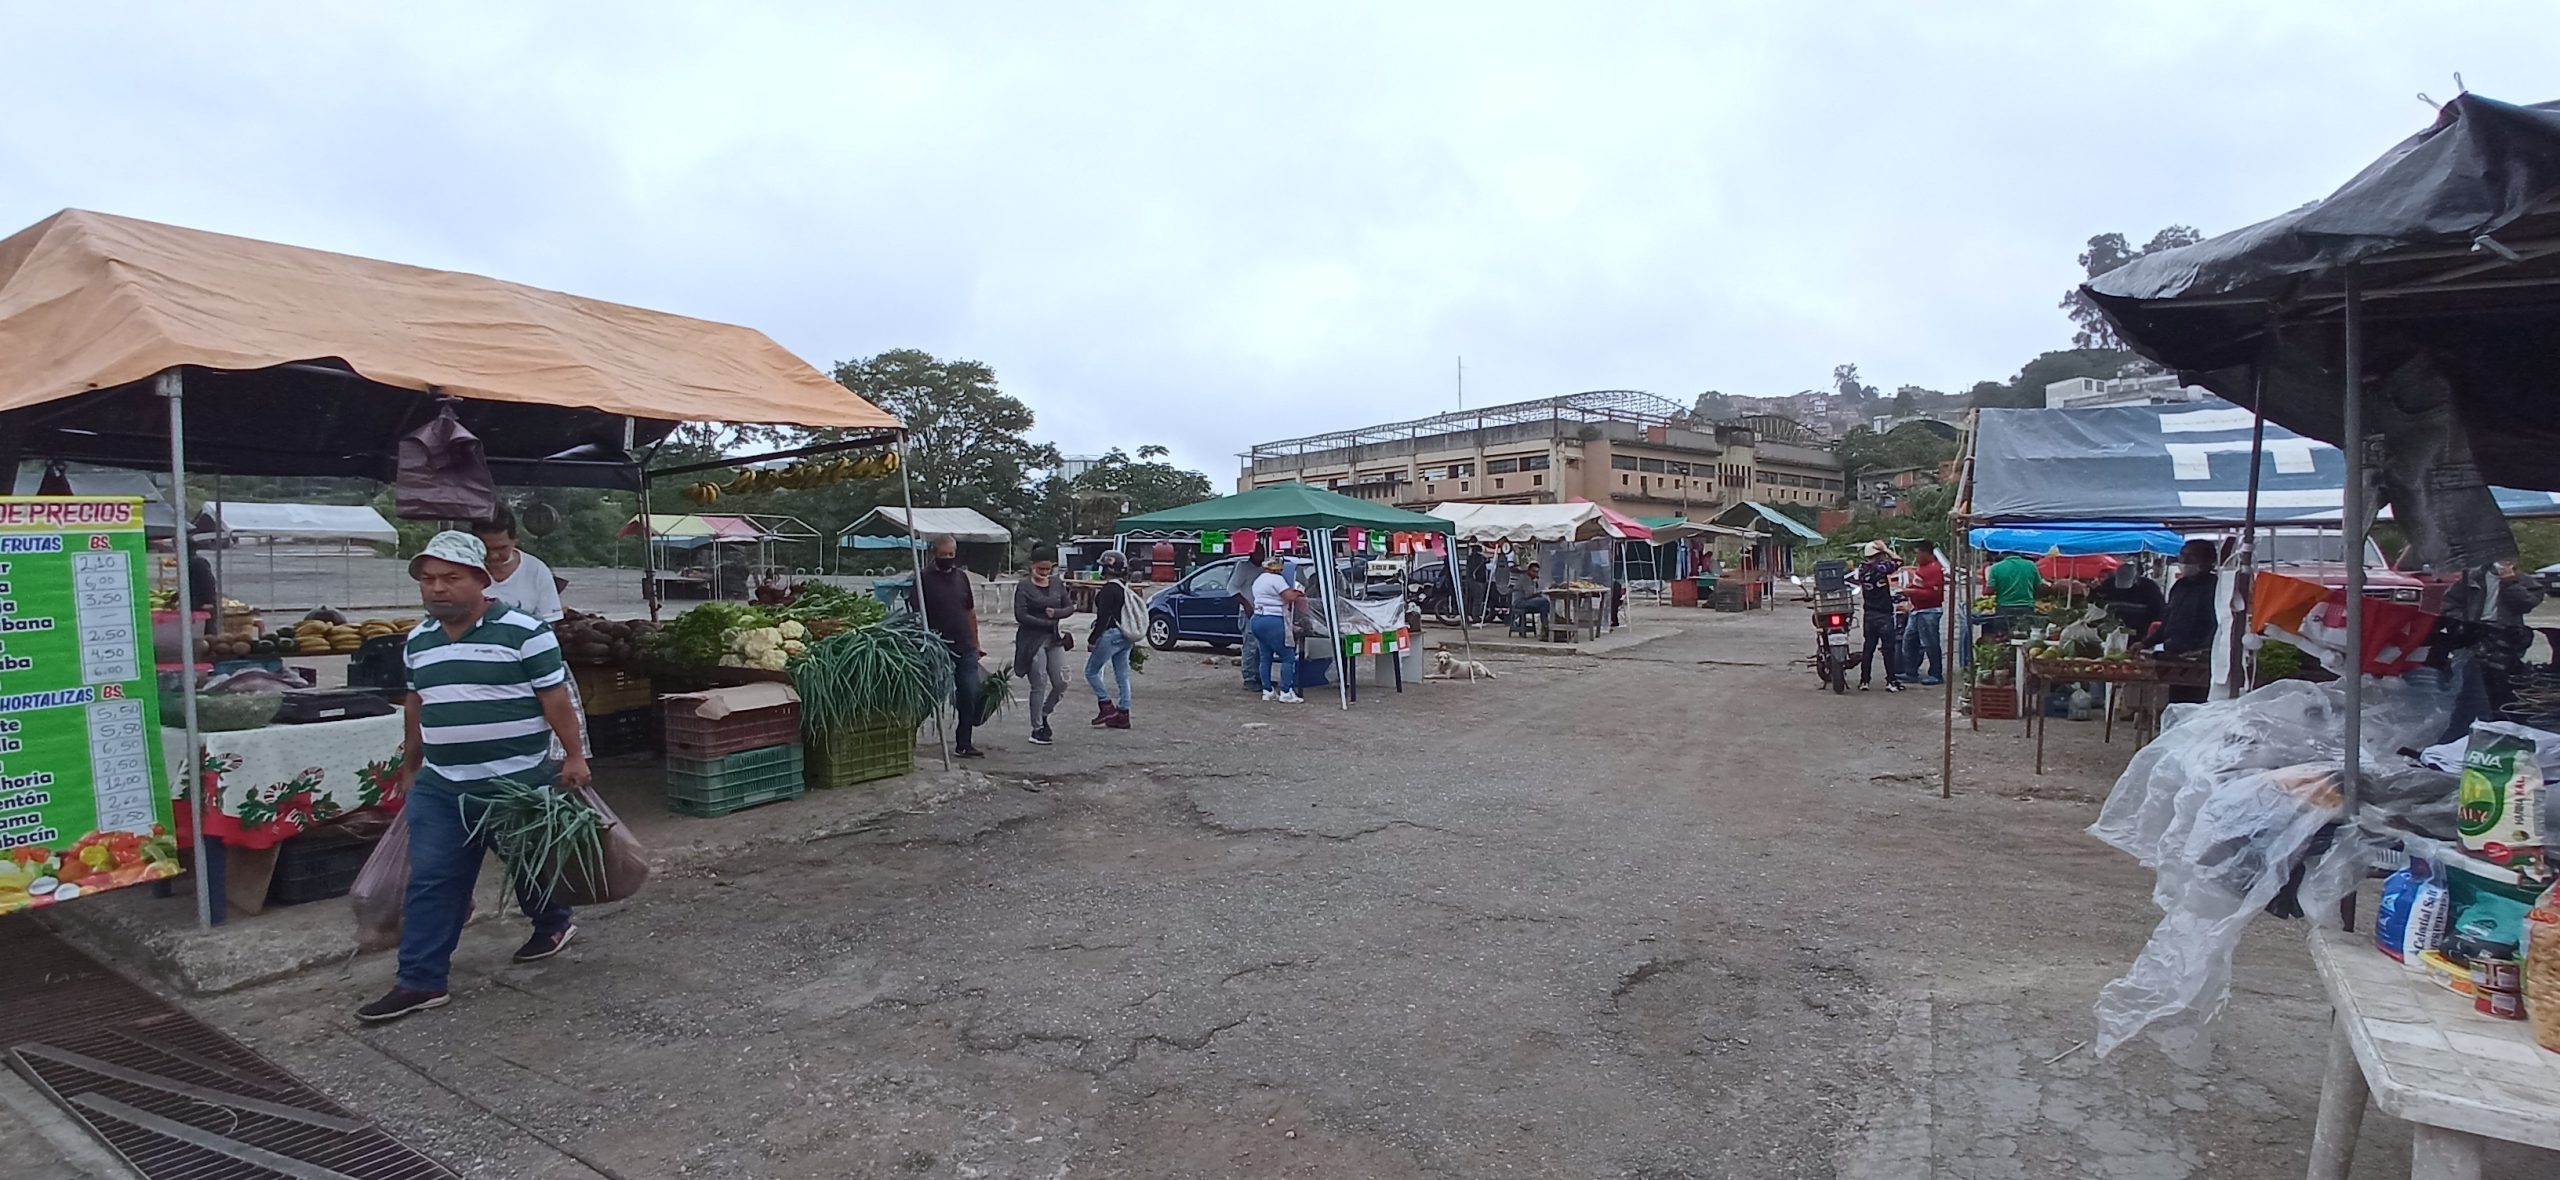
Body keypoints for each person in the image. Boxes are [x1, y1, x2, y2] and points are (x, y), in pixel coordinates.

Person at [358, 532, 589, 1022]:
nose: (437, 588)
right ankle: (421, 981)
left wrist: (573, 756)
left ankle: (552, 923)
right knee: (434, 879)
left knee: (530, 865)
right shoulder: (419, 640)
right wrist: (412, 763)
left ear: (482, 582)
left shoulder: (526, 632)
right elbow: (417, 703)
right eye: (428, 580)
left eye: (450, 578)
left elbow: (555, 699)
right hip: (444, 786)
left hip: (518, 782)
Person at [471, 510, 586, 759]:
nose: (493, 555)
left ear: (515, 540)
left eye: (501, 547)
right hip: (476, 667)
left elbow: (549, 626)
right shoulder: (465, 571)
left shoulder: (536, 570)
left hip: (529, 666)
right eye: (485, 548)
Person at [907, 535, 985, 758]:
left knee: (969, 693)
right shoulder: (922, 579)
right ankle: (908, 736)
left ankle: (964, 743)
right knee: (930, 694)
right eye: (943, 555)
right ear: (935, 554)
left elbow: (970, 611)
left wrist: (976, 641)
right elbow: (914, 613)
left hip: (964, 645)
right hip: (937, 646)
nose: (948, 559)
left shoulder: (961, 578)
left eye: (951, 555)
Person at [1012, 546, 1073, 746]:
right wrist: (1046, 622)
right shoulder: (1024, 586)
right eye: (1041, 569)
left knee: (1061, 681)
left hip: (1054, 638)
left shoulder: (1057, 583)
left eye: (1048, 569)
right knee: (1039, 682)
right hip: (1031, 640)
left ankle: (1045, 712)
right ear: (1032, 566)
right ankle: (1037, 727)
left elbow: (1069, 607)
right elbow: (1021, 615)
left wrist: (1055, 615)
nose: (1045, 573)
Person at [2157, 539, 2220, 705]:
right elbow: (2167, 623)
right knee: (2177, 704)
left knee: (2198, 708)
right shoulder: (2179, 586)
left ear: (2208, 561)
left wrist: (2203, 651)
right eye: (2182, 556)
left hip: (2201, 663)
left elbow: (2218, 624)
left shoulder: (2216, 587)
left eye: (2190, 557)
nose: (2184, 561)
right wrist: (2145, 643)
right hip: (2175, 658)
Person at [1086, 552, 1138, 728]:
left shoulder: (1108, 589)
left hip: (1110, 634)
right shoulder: (1124, 587)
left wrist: (1093, 639)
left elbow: (1103, 617)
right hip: (1125, 634)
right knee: (1122, 675)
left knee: (1091, 671)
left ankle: (1106, 704)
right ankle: (1123, 713)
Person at [1249, 555, 1305, 702]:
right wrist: (1298, 592)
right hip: (1273, 620)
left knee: (1265, 657)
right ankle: (1286, 692)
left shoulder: (1259, 579)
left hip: (1257, 619)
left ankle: (1267, 690)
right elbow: (1288, 597)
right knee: (1288, 656)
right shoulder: (1277, 579)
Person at [1850, 540, 1905, 691]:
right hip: (1883, 614)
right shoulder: (1880, 568)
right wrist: (1886, 549)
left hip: (1869, 614)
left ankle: (1864, 681)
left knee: (1869, 648)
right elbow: (1899, 561)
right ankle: (1891, 681)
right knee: (1888, 649)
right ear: (1878, 555)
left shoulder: (1862, 570)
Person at [1898, 539, 1947, 686]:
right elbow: (1920, 586)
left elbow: (1934, 594)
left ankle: (1936, 673)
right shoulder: (1922, 568)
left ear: (1926, 553)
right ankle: (1910, 671)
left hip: (1929, 611)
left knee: (1930, 642)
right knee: (1909, 641)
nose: (1916, 557)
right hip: (1917, 610)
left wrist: (1912, 592)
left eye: (1918, 553)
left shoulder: (1933, 569)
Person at [2089, 560, 2166, 641]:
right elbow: (2098, 603)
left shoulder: (2150, 588)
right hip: (2112, 632)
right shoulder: (2108, 585)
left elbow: (2159, 612)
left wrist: (2149, 636)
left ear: (2135, 579)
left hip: (2140, 633)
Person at [1230, 546, 1266, 690]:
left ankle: (1259, 676)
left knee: (1260, 647)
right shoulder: (1243, 567)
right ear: (1251, 553)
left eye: (1263, 552)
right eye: (1259, 552)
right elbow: (1232, 588)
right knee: (1250, 646)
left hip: (1262, 612)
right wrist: (1246, 604)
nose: (1262, 555)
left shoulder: (1264, 569)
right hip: (1248, 613)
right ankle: (1249, 678)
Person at [1510, 561, 1551, 636]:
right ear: (1529, 570)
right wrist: (1540, 593)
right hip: (1519, 602)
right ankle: (1546, 626)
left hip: (1526, 601)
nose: (1535, 574)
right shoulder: (1525, 579)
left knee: (1543, 607)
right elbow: (1528, 595)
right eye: (1533, 571)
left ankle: (1545, 628)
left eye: (1537, 572)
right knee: (1544, 601)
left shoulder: (1531, 580)